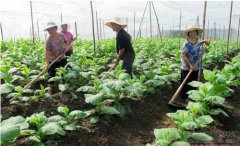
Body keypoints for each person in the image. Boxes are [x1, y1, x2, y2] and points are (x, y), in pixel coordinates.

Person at [170, 25, 210, 107]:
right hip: (187, 67)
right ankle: (184, 97)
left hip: (196, 66)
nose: (193, 33)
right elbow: (183, 55)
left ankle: (192, 96)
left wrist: (204, 41)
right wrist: (190, 65)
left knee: (193, 82)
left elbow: (199, 43)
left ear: (197, 33)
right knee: (185, 82)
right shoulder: (186, 43)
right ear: (188, 34)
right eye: (191, 32)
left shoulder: (197, 40)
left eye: (195, 32)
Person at [44, 22, 70, 94]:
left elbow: (67, 43)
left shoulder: (62, 35)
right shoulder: (49, 40)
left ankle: (65, 88)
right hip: (53, 60)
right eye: (48, 30)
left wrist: (66, 48)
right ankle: (49, 91)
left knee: (64, 73)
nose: (49, 32)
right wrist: (47, 63)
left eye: (50, 30)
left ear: (55, 28)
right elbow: (47, 52)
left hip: (62, 58)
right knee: (51, 75)